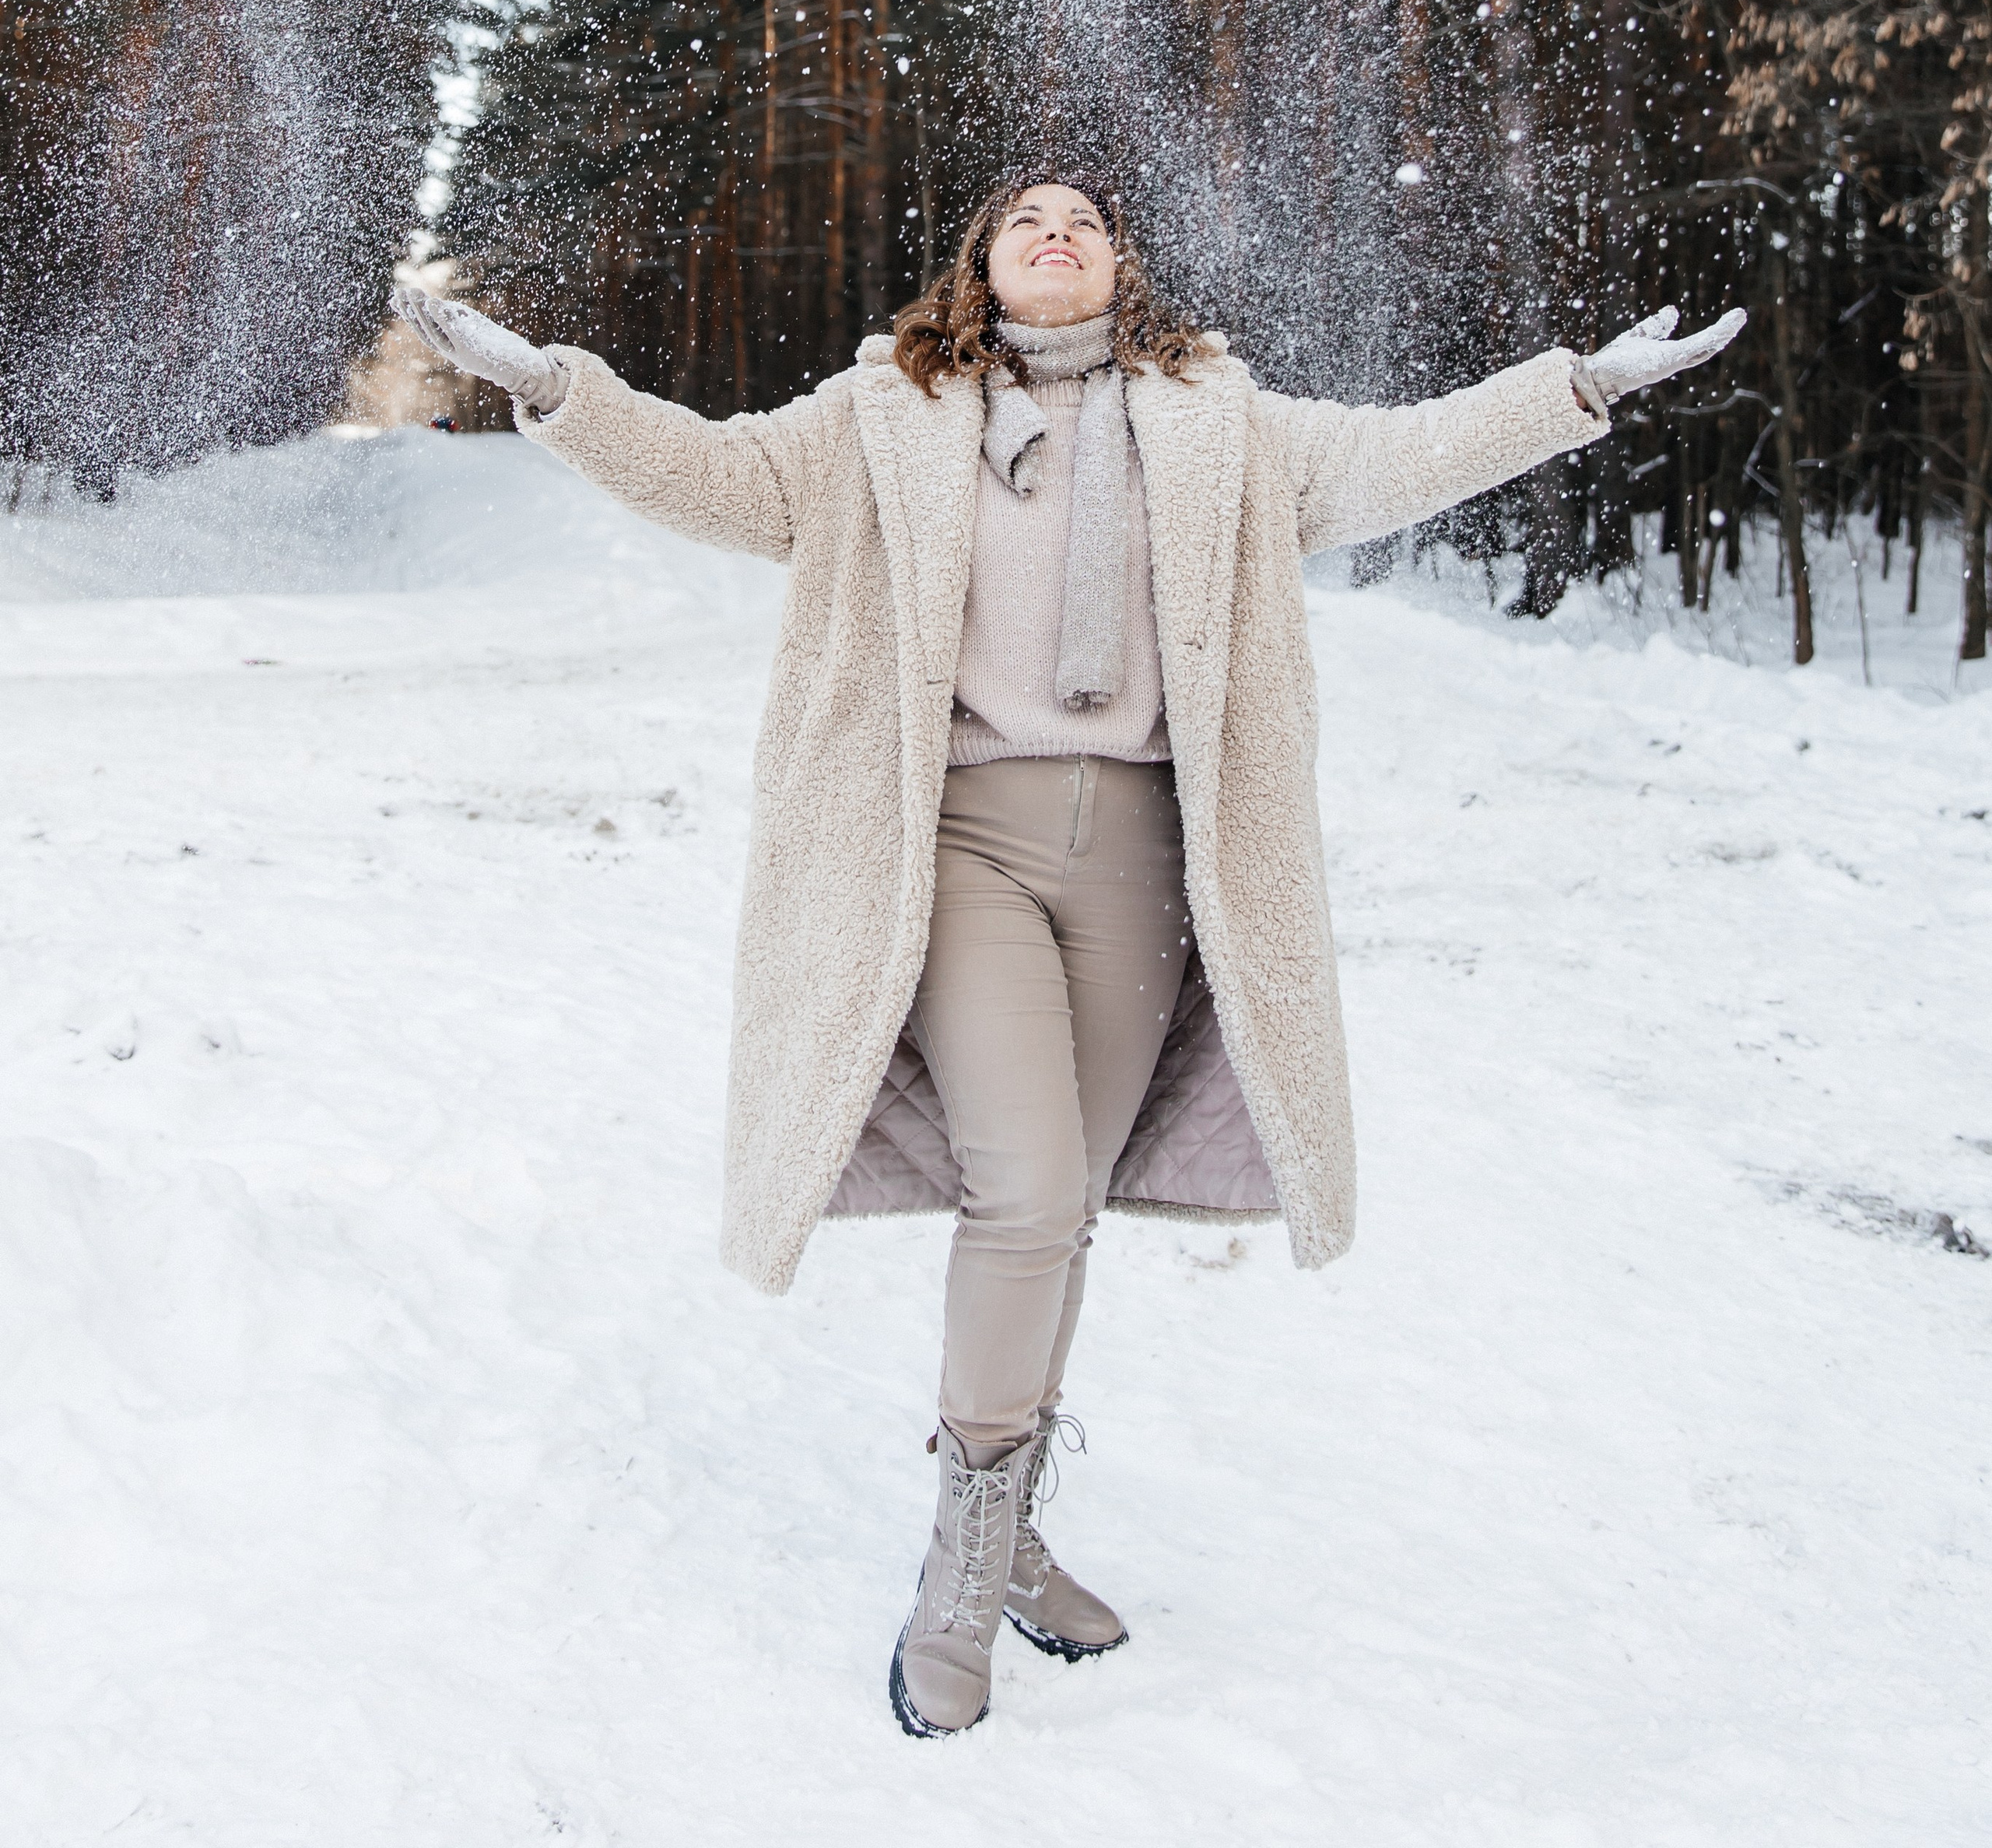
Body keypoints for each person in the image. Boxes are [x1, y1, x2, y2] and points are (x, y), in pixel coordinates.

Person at [395, 177, 1742, 1738]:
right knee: (1024, 1184)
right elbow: (708, 477)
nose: (1057, 232)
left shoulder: (1214, 420)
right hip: (956, 842)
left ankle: (1014, 1528)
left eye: (1085, 220)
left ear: (1118, 263)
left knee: (1066, 1204)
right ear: (977, 263)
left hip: (1147, 866)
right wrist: (551, 386)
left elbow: (1389, 456)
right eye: (1024, 217)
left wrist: (1570, 390)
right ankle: (962, 1569)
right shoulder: (880, 417)